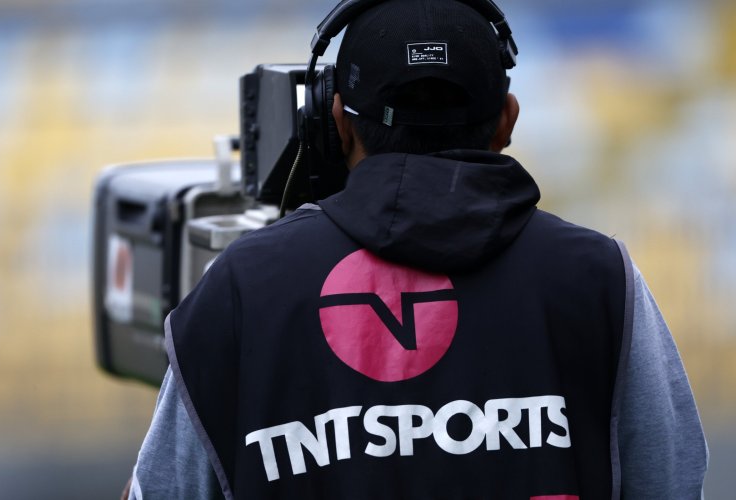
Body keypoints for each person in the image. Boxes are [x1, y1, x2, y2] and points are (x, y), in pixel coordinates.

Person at [128, 1, 708, 498]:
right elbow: (670, 480)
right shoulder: (603, 278)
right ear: (507, 120)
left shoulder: (241, 285)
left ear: (335, 121)